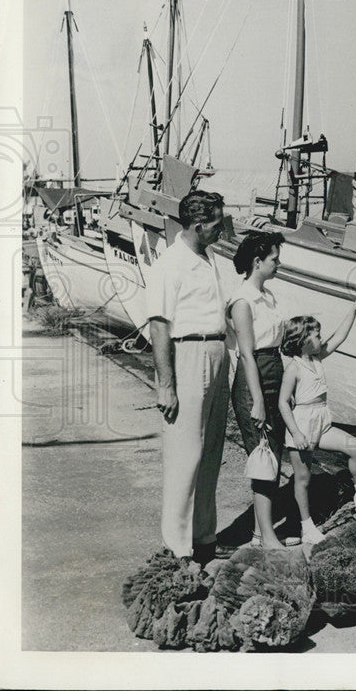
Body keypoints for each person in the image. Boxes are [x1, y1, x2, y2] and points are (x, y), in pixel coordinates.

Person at [146, 190, 229, 565]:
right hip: (188, 354)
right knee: (185, 455)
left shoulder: (209, 256)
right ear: (198, 226)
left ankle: (204, 538)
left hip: (216, 352)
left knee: (211, 452)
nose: (222, 230)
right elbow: (160, 326)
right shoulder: (170, 264)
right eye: (217, 223)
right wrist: (166, 385)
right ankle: (178, 547)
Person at [278, 311, 356, 545]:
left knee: (355, 447)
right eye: (317, 336)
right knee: (303, 478)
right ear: (303, 340)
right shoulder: (294, 368)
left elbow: (339, 337)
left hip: (322, 420)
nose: (321, 339)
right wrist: (297, 433)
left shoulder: (317, 358)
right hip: (303, 424)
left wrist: (354, 310)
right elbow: (283, 402)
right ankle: (306, 527)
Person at [227, 230, 299, 550]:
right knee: (262, 458)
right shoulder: (243, 302)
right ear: (258, 262)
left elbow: (276, 347)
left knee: (275, 455)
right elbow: (246, 354)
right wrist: (257, 399)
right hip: (253, 379)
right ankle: (267, 536)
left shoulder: (268, 296)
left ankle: (260, 533)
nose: (278, 263)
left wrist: (285, 388)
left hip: (274, 373)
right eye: (274, 259)